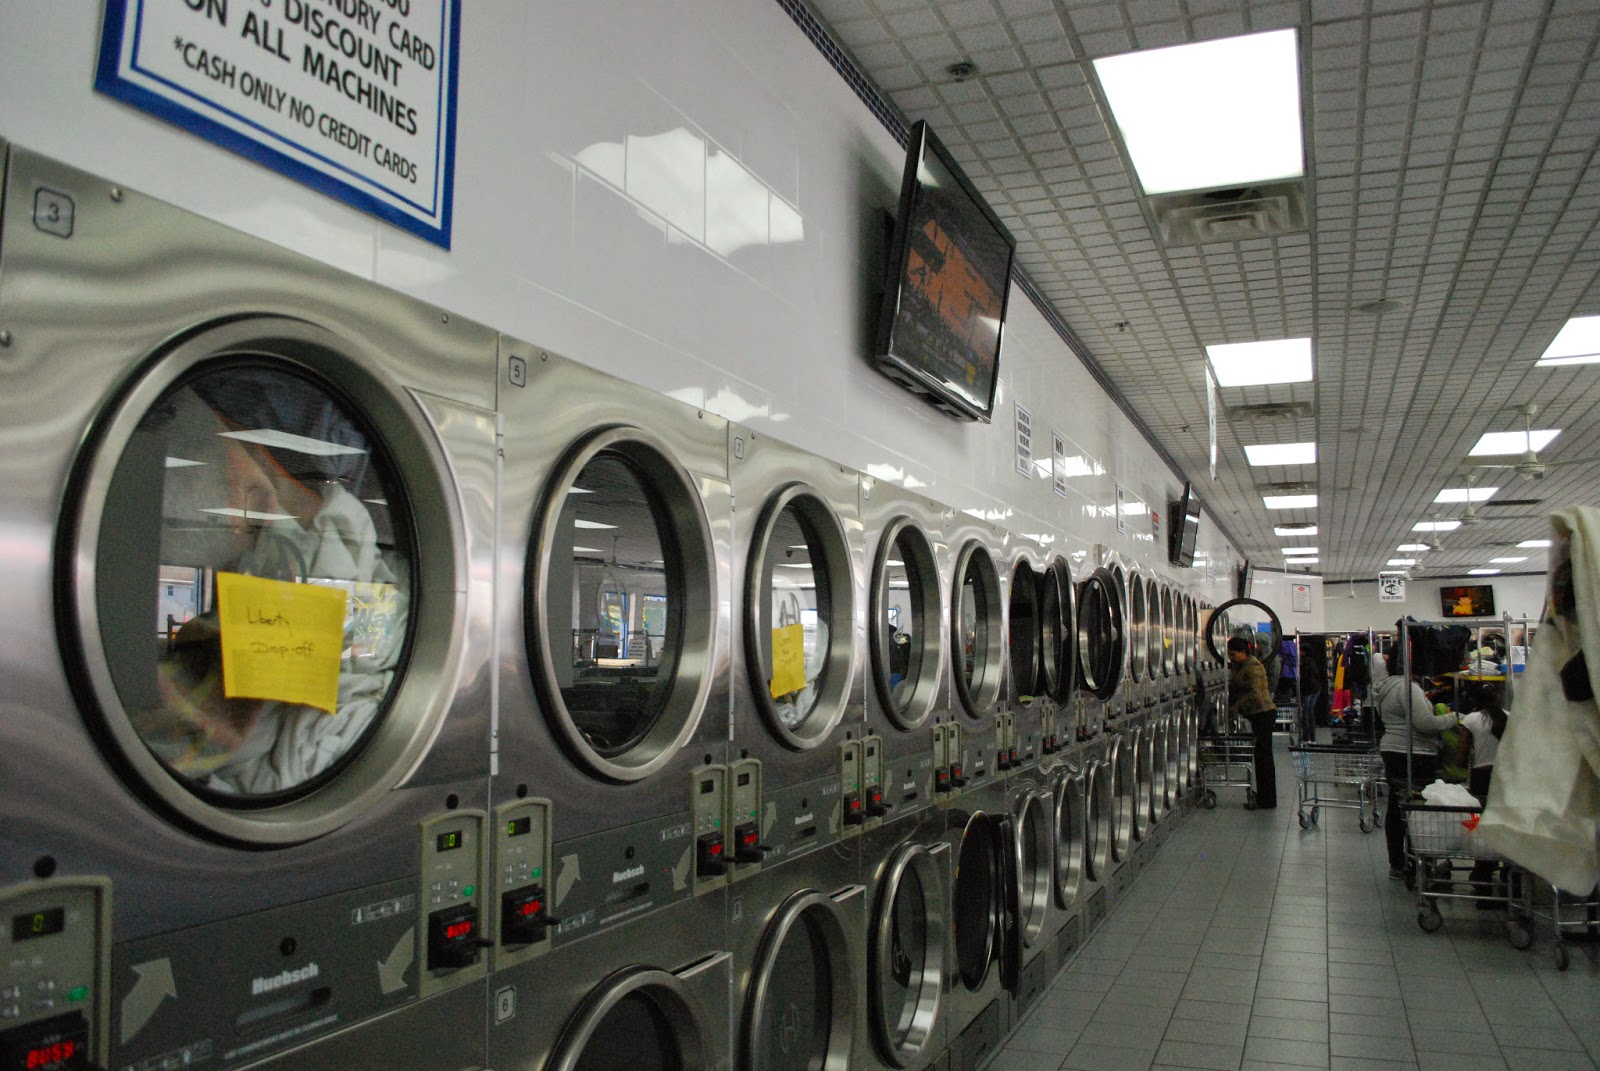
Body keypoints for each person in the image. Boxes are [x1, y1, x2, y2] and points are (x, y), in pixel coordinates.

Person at [1374, 650, 1458, 879]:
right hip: (1416, 752)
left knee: (1396, 804)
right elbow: (1425, 724)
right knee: (1420, 808)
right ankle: (1420, 861)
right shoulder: (1409, 688)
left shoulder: (1384, 687)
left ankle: (1397, 862)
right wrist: (1454, 718)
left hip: (1391, 749)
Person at [1460, 681, 1510, 901]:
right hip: (1506, 776)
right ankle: (1509, 872)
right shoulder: (1509, 716)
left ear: (1474, 701)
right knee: (1505, 822)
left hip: (1481, 776)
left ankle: (1482, 876)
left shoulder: (1471, 720)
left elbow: (1462, 754)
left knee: (1481, 826)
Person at [1227, 636, 1277, 810]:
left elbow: (1255, 694)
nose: (1231, 658)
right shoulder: (1240, 665)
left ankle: (1268, 800)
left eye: (1233, 654)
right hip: (1256, 714)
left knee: (1264, 757)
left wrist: (1236, 707)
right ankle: (1264, 796)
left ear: (1243, 652)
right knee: (1261, 756)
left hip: (1263, 713)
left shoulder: (1254, 667)